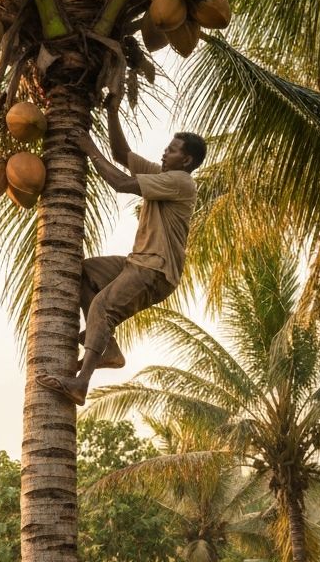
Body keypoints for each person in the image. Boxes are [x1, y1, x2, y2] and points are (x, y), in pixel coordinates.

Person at [36, 99, 206, 406]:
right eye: (167, 147)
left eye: (173, 149)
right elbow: (121, 154)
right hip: (136, 263)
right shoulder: (162, 174)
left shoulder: (180, 182)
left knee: (102, 307)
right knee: (85, 272)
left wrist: (88, 147)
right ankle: (108, 349)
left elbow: (120, 182)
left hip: (156, 270)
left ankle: (80, 383)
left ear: (187, 160)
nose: (166, 151)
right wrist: (112, 110)